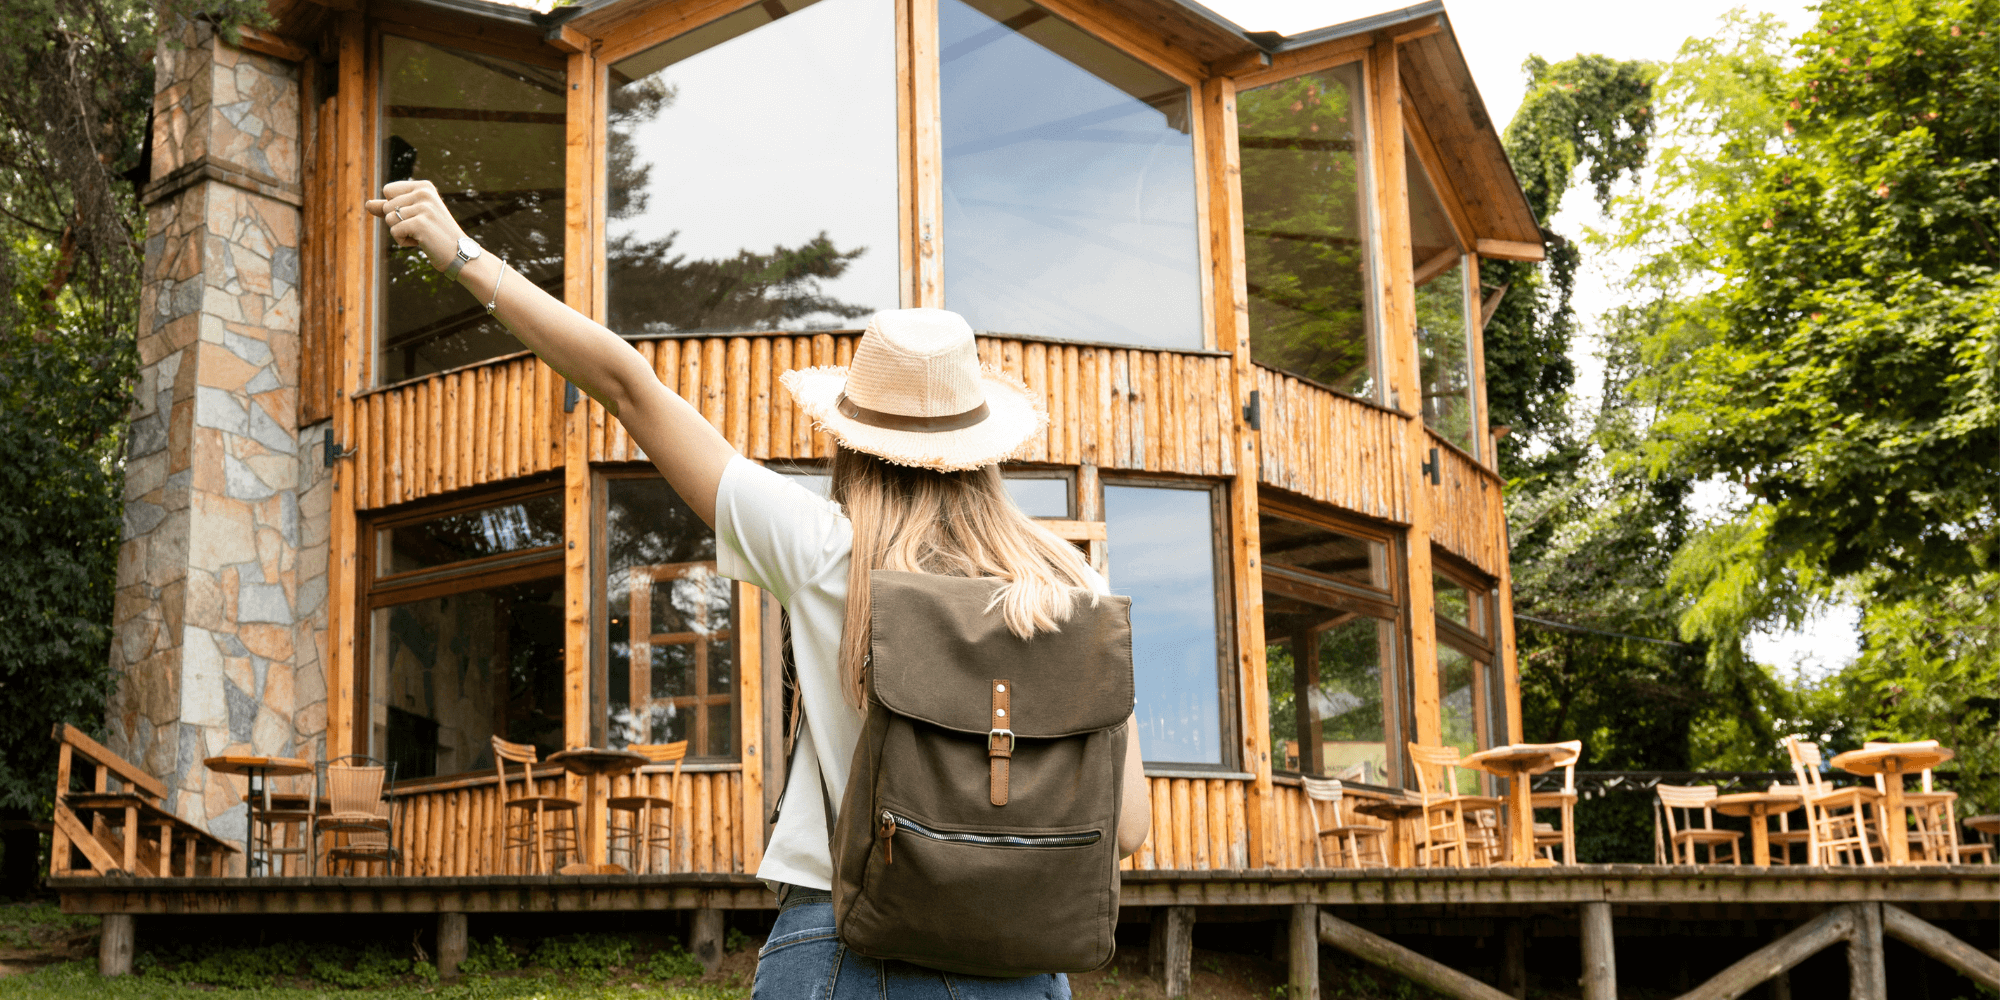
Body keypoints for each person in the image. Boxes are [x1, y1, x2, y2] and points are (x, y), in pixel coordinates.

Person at [366, 180, 1150, 997]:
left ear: (852, 444)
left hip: (844, 946)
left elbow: (630, 384)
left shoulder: (827, 550)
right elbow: (1126, 828)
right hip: (1023, 970)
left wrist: (459, 252)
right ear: (984, 450)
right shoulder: (1077, 587)